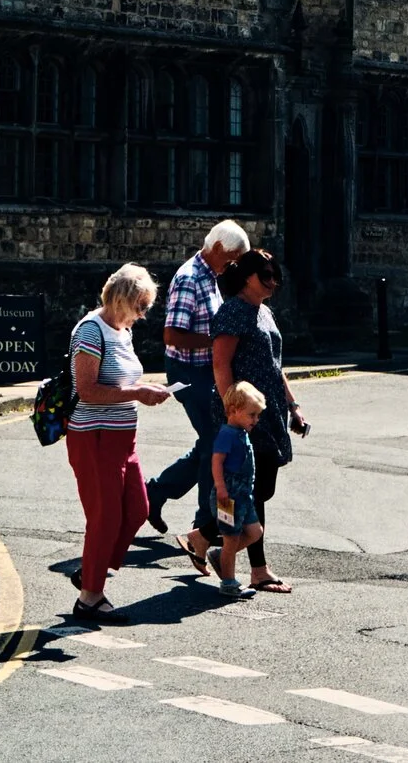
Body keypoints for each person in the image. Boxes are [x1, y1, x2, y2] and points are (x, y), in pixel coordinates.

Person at [65, 262, 172, 622]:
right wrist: (137, 393)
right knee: (105, 517)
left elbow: (124, 381)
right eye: (140, 306)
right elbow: (88, 390)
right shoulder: (90, 332)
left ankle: (90, 572)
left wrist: (147, 389)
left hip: (123, 437)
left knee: (139, 509)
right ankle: (90, 598)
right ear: (122, 300)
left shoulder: (121, 330)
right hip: (93, 437)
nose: (142, 315)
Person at [207, 246, 307, 592]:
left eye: (276, 276)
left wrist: (293, 406)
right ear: (247, 277)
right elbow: (221, 365)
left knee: (260, 489)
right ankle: (257, 570)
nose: (273, 282)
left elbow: (274, 366)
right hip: (241, 417)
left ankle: (202, 540)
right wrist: (231, 412)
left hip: (267, 413)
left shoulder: (264, 312)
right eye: (266, 276)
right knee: (250, 491)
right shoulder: (233, 311)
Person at [146, 220, 250, 552]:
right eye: (232, 257)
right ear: (218, 248)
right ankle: (204, 525)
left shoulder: (211, 276)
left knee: (210, 442)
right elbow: (171, 335)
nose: (233, 265)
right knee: (214, 444)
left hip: (204, 368)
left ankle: (156, 495)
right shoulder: (190, 278)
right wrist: (217, 340)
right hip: (187, 370)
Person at [209, 383, 268, 596]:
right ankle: (228, 582)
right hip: (228, 495)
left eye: (258, 415)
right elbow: (217, 461)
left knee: (255, 532)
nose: (256, 420)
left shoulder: (241, 431)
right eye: (252, 415)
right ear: (234, 410)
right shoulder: (227, 434)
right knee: (231, 538)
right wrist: (221, 487)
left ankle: (221, 556)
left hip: (244, 495)